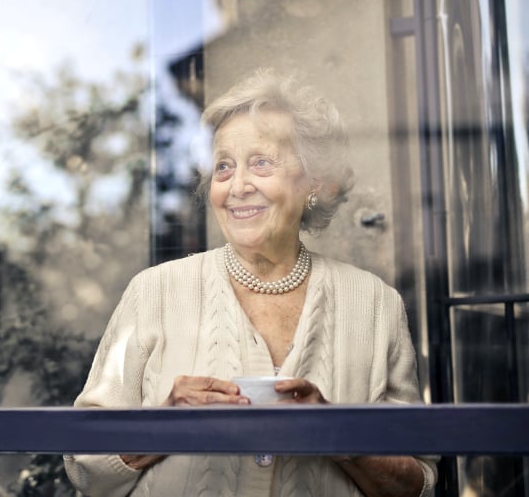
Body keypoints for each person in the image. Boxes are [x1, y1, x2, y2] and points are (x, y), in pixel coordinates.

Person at [63, 69, 437, 497]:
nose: (237, 186)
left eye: (261, 162)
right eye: (223, 166)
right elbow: (85, 465)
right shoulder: (154, 292)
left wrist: (336, 434)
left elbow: (417, 484)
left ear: (314, 181)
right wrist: (164, 424)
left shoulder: (375, 305)